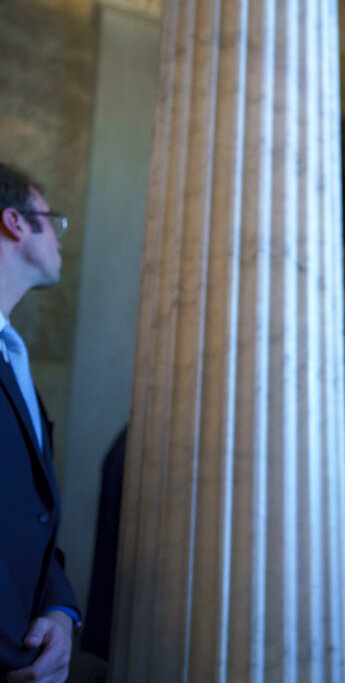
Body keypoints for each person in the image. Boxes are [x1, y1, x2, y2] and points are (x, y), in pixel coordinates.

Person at [0, 163, 78, 682]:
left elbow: (32, 515)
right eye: (53, 221)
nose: (61, 237)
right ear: (15, 223)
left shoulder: (12, 354)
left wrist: (60, 613)